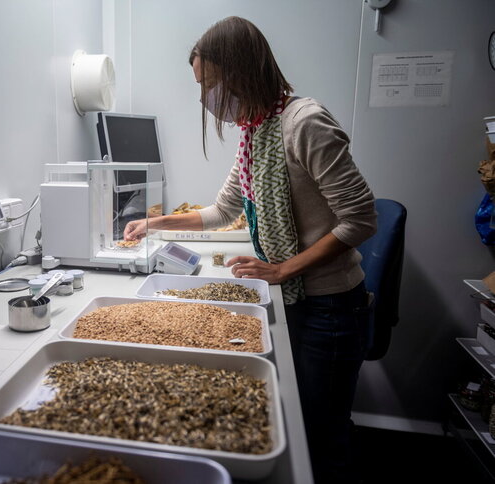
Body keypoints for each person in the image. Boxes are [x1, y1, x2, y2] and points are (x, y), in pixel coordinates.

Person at [124, 16, 377, 483]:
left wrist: (283, 269)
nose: (205, 98)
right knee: (301, 420)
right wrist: (154, 223)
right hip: (299, 299)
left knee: (323, 433)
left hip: (331, 305)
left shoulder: (304, 123)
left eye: (210, 84)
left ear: (240, 72)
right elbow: (222, 211)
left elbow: (360, 218)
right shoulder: (255, 133)